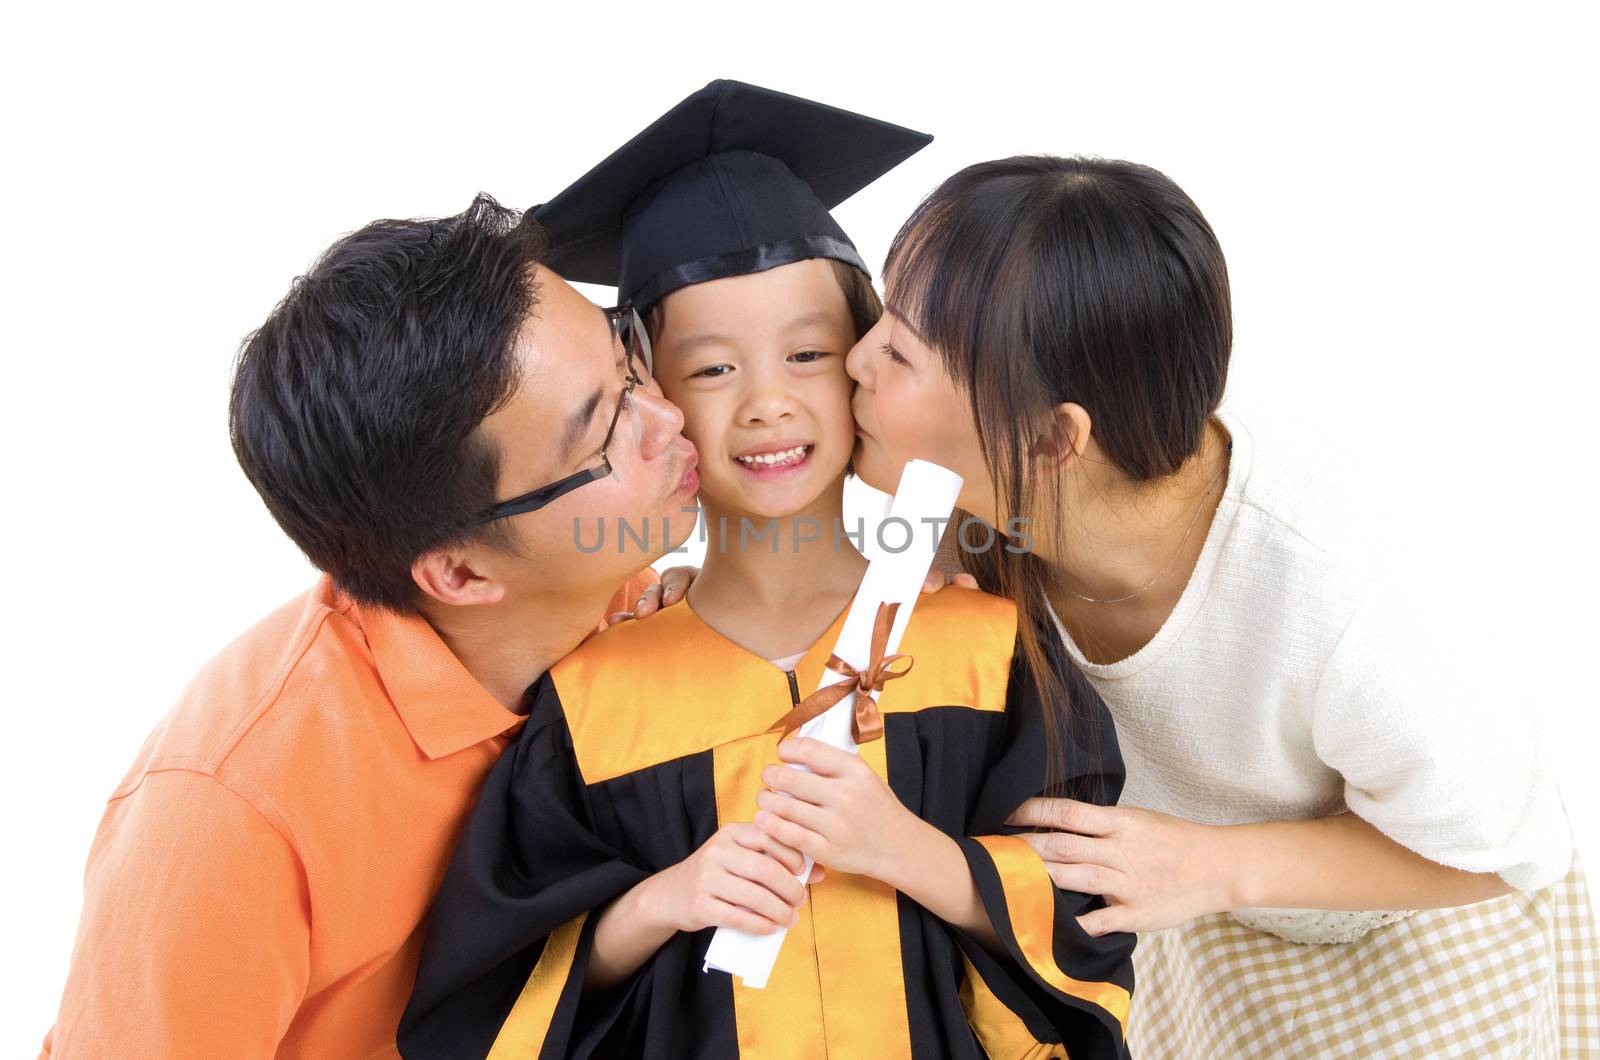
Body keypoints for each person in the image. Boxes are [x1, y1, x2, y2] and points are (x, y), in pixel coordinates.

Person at [399, 82, 1135, 1060]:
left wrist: (911, 853)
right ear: (648, 393)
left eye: (806, 353)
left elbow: (1092, 906)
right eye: (710, 369)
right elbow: (489, 999)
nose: (765, 404)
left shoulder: (982, 648)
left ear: (866, 365)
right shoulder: (596, 699)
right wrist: (661, 900)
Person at [846, 154, 1598, 1057]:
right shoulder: (984, 504)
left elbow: (1507, 852)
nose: (855, 357)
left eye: (899, 350)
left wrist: (1215, 867)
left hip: (1405, 926)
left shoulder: (1346, 596)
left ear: (1050, 436)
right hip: (1186, 914)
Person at [39, 192, 701, 1057]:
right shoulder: (232, 816)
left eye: (627, 362)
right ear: (461, 572)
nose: (669, 418)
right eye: (605, 435)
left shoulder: (616, 595)